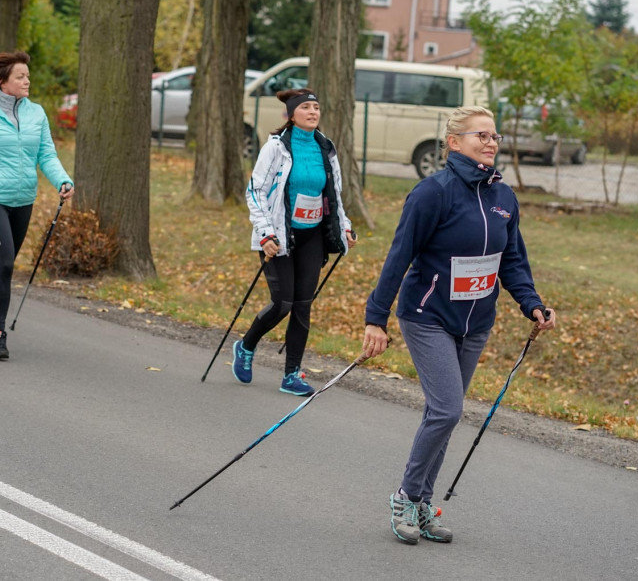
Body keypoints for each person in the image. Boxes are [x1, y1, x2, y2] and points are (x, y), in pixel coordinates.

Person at [360, 105, 556, 545]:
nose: (490, 142)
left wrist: (532, 304)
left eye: (494, 136)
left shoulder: (503, 197)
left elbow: (512, 260)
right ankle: (405, 497)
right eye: (480, 136)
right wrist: (376, 318)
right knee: (448, 409)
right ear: (453, 142)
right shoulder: (433, 193)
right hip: (427, 316)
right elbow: (399, 257)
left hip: (476, 321)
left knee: (443, 415)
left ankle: (423, 504)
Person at [232, 88, 357, 396]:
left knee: (303, 306)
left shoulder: (326, 147)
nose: (313, 112)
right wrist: (265, 233)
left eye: (316, 107)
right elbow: (255, 191)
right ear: (291, 114)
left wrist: (345, 228)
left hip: (312, 235)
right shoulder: (275, 147)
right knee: (283, 303)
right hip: (279, 236)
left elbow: (335, 195)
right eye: (306, 108)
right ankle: (246, 346)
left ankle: (291, 375)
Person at [0, 51, 74, 361]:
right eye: (20, 76)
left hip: (24, 200)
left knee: (0, 266)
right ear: (2, 82)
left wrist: (62, 180)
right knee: (5, 262)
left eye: (27, 75)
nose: (27, 80)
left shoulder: (37, 113)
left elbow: (46, 155)